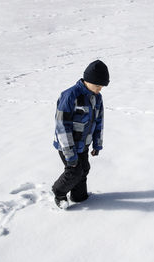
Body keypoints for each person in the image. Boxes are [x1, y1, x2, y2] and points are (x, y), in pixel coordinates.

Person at [52, 60, 109, 209]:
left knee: (84, 169)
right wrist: (70, 153)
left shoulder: (97, 98)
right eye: (97, 86)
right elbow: (62, 126)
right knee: (74, 171)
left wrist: (97, 144)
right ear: (87, 80)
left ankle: (79, 197)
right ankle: (59, 192)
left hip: (84, 144)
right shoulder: (70, 96)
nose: (99, 89)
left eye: (102, 87)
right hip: (67, 146)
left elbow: (99, 122)